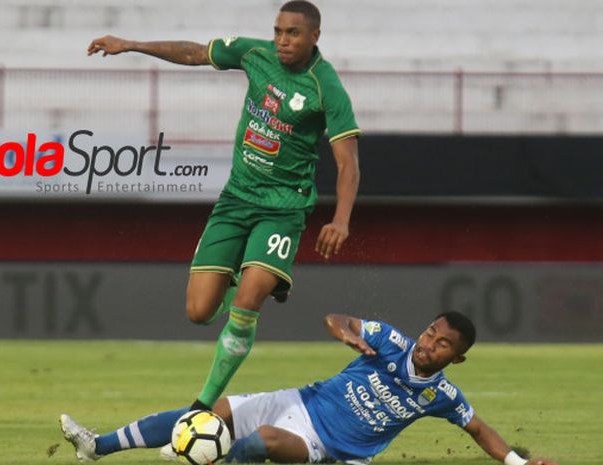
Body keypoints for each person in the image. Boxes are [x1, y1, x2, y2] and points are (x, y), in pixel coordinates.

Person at [87, 0, 361, 412]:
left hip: (282, 209)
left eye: (294, 34)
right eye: (279, 32)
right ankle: (243, 272)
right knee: (199, 312)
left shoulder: (327, 88)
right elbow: (195, 53)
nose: (284, 41)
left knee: (247, 303)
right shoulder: (255, 55)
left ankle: (202, 406)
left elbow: (348, 162)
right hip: (236, 199)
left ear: (315, 37)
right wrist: (130, 44)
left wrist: (341, 219)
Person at [60, 312, 560, 465]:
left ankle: (201, 458)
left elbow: (478, 429)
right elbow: (338, 317)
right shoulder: (389, 340)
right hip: (302, 399)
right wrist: (344, 333)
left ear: (457, 357)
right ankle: (96, 446)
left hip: (328, 445)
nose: (430, 344)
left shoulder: (440, 395)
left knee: (262, 444)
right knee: (208, 415)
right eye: (431, 333)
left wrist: (517, 463)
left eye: (443, 344)